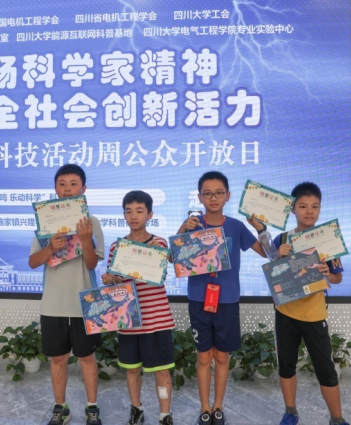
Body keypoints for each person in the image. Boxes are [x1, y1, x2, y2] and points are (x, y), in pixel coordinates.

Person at [176, 171, 269, 425]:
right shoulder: (193, 225)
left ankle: (218, 406)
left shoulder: (236, 226)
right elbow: (174, 258)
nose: (213, 198)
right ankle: (204, 408)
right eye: (207, 193)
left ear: (228, 195)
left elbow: (266, 253)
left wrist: (260, 228)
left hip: (227, 300)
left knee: (222, 357)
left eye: (219, 193)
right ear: (199, 197)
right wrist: (182, 230)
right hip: (198, 299)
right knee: (203, 357)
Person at [261, 182, 349, 425]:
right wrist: (279, 256)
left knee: (326, 370)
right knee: (286, 367)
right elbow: (273, 274)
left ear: (320, 208)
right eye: (303, 206)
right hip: (285, 312)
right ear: (293, 209)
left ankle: (337, 419)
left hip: (314, 314)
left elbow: (337, 278)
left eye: (315, 206)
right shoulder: (282, 239)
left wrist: (327, 274)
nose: (309, 211)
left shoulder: (327, 239)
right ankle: (291, 413)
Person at [28, 164, 105, 425]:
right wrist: (50, 247)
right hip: (53, 304)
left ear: (84, 189)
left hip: (86, 304)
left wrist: (85, 240)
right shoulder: (46, 223)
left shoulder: (92, 223)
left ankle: (92, 408)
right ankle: (60, 407)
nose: (67, 189)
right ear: (55, 189)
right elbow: (33, 262)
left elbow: (92, 264)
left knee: (87, 358)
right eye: (62, 184)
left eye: (73, 184)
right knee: (58, 359)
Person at [102, 190, 176, 425]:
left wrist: (154, 255)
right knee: (132, 370)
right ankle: (136, 410)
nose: (133, 216)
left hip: (157, 320)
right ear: (124, 215)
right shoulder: (116, 247)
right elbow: (116, 282)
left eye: (139, 211)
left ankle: (165, 415)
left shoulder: (159, 243)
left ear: (150, 214)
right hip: (129, 321)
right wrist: (111, 279)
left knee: (161, 370)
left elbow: (160, 276)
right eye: (129, 211)